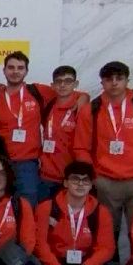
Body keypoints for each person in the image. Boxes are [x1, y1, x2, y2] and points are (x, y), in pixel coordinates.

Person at [73, 61, 133, 265]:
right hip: (106, 183)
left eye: (119, 78)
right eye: (109, 79)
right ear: (102, 83)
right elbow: (81, 147)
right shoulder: (91, 110)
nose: (114, 83)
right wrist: (93, 178)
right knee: (106, 236)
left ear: (127, 80)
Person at [33, 162, 116, 265]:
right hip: (55, 261)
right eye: (75, 179)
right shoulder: (47, 207)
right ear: (65, 183)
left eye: (85, 180)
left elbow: (106, 248)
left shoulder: (101, 212)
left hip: (83, 262)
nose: (80, 184)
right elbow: (40, 245)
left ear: (91, 185)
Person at [0, 51, 55, 206]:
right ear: (4, 71)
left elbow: (68, 94)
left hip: (28, 164)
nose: (15, 71)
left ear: (26, 71)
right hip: (0, 163)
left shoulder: (38, 91)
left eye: (20, 68)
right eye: (11, 67)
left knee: (27, 207)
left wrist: (83, 97)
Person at [36, 66, 87, 202]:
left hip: (71, 177)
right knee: (44, 212)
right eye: (59, 81)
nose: (63, 85)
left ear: (75, 84)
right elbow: (20, 87)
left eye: (68, 81)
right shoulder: (48, 104)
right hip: (46, 176)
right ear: (52, 85)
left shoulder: (82, 109)